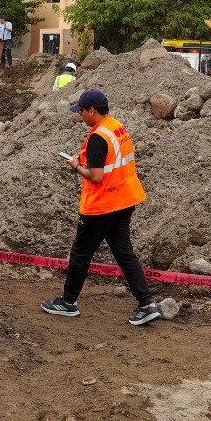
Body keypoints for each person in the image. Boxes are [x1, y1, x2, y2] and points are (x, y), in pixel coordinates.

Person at [42, 88, 161, 326]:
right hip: (124, 199)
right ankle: (147, 304)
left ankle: (68, 302)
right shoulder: (116, 127)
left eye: (82, 112)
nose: (80, 117)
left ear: (92, 110)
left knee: (80, 253)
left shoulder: (98, 137)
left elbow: (95, 176)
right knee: (124, 253)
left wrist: (76, 165)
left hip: (102, 205)